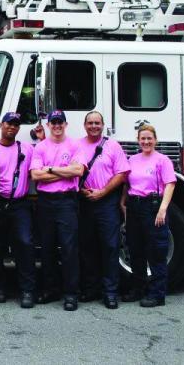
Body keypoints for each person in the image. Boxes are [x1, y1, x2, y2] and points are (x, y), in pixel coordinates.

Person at [30, 109, 86, 311]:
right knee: (47, 248)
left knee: (69, 248)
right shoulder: (41, 147)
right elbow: (36, 175)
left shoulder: (75, 145)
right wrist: (65, 171)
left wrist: (51, 169)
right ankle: (50, 289)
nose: (56, 125)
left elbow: (78, 170)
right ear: (48, 125)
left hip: (66, 202)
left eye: (60, 122)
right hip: (45, 202)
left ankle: (71, 294)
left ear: (65, 124)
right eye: (53, 122)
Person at [77, 111, 130, 309]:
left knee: (110, 247)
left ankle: (110, 293)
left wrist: (102, 192)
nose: (93, 126)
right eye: (90, 123)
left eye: (97, 123)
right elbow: (71, 171)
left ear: (103, 125)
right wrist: (81, 190)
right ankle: (91, 289)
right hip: (84, 201)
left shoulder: (112, 145)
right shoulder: (77, 145)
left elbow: (122, 173)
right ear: (84, 125)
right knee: (87, 247)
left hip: (107, 202)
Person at [122, 124, 176, 308]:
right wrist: (123, 201)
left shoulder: (162, 160)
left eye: (149, 138)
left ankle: (157, 294)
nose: (146, 141)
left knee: (156, 252)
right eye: (142, 138)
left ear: (155, 140)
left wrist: (163, 209)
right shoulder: (132, 159)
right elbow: (127, 183)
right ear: (138, 140)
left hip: (152, 207)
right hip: (134, 206)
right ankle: (138, 289)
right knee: (135, 250)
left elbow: (170, 184)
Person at [0, 112, 36, 308]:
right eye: (9, 123)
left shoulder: (27, 149)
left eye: (16, 124)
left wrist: (41, 139)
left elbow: (37, 167)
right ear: (1, 125)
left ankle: (27, 290)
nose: (12, 127)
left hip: (20, 204)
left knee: (25, 244)